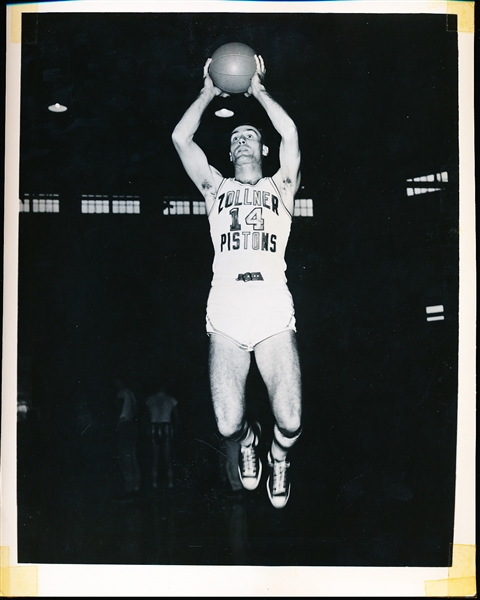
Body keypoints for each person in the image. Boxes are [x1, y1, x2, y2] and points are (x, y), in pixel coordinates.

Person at [172, 54, 302, 509]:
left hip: (270, 307)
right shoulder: (216, 189)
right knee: (227, 425)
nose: (243, 140)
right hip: (226, 309)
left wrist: (258, 90)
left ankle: (279, 454)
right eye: (235, 138)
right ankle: (248, 440)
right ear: (228, 154)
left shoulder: (281, 188)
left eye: (250, 136)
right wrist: (209, 90)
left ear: (262, 151)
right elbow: (180, 137)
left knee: (289, 420)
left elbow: (290, 134)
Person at [113, 378, 142, 502]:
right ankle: (136, 488)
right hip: (131, 424)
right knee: (133, 456)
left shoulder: (120, 393)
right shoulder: (131, 393)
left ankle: (129, 490)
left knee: (125, 457)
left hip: (124, 424)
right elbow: (136, 409)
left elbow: (117, 408)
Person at [146, 388, 179, 490]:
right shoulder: (171, 399)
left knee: (155, 457)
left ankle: (154, 483)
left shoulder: (150, 399)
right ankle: (170, 483)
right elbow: (176, 417)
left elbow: (148, 416)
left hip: (154, 426)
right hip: (166, 426)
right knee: (168, 457)